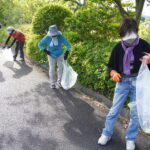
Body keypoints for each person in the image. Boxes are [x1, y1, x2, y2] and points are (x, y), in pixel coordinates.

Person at [98, 18, 150, 150]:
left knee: (135, 113)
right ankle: (106, 133)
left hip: (138, 83)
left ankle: (130, 138)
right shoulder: (118, 48)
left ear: (136, 33)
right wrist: (114, 73)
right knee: (114, 110)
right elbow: (111, 66)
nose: (129, 41)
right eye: (126, 38)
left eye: (131, 38)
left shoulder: (144, 45)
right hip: (122, 82)